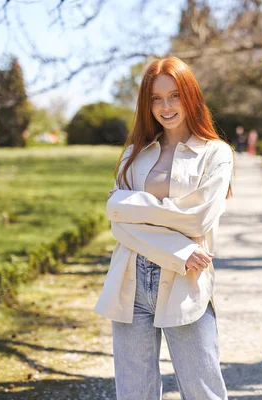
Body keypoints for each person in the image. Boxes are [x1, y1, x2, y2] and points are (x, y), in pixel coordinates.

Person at [94, 56, 233, 400]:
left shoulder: (215, 154)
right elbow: (120, 226)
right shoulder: (134, 154)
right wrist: (180, 248)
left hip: (186, 282)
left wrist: (133, 207)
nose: (166, 106)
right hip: (131, 280)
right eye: (156, 98)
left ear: (190, 95)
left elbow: (197, 219)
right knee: (135, 393)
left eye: (174, 95)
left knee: (204, 391)